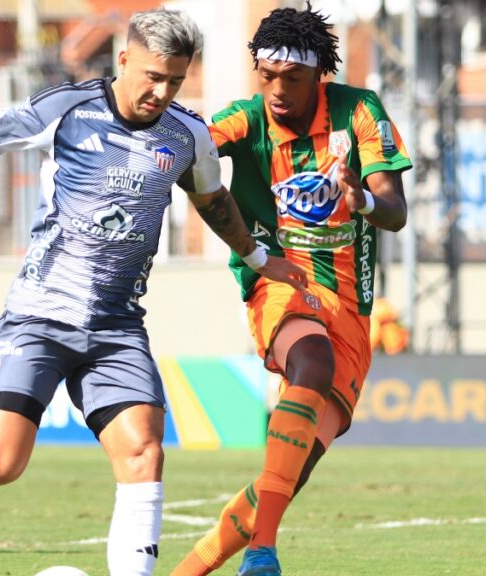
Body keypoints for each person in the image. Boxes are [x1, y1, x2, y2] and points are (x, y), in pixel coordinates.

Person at [0, 9, 307, 576]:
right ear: (123, 60)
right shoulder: (68, 110)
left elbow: (212, 201)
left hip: (116, 326)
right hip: (39, 316)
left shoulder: (187, 133)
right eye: (151, 75)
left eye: (173, 80)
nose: (160, 91)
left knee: (144, 450)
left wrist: (257, 257)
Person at [171, 4, 411, 575]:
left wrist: (365, 202)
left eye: (292, 78)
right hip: (280, 283)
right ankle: (263, 553)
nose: (277, 90)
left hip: (351, 309)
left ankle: (187, 572)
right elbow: (194, 142)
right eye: (267, 76)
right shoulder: (247, 119)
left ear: (318, 75)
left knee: (284, 477)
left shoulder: (359, 112)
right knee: (311, 359)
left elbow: (395, 211)